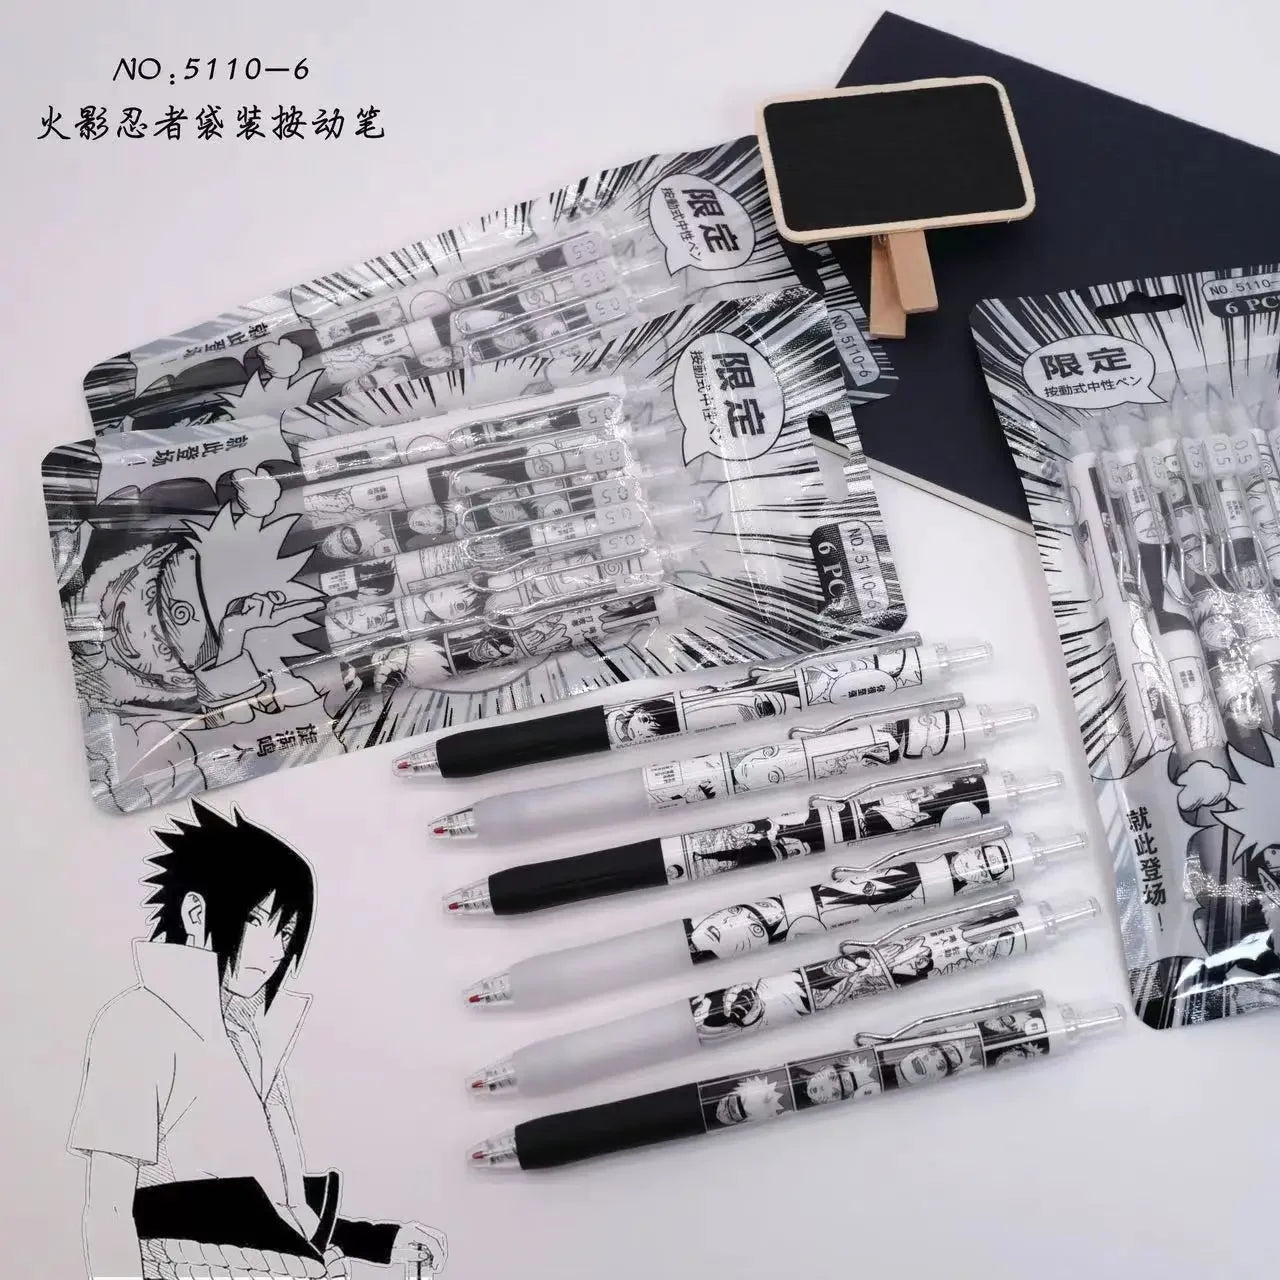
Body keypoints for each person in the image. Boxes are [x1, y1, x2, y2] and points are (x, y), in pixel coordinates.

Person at [71, 803, 447, 1279]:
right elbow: (108, 1207)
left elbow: (277, 1207)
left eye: (286, 933)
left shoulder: (250, 1035)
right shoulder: (138, 1023)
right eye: (255, 920)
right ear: (195, 912)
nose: (275, 952)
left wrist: (377, 1241)